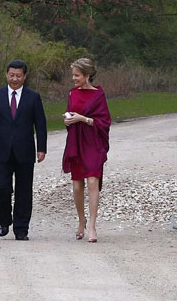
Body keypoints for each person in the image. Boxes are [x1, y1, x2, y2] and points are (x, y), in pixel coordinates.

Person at [0, 59, 48, 240]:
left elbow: (41, 125)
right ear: (6, 75)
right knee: (2, 188)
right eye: (11, 75)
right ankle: (4, 220)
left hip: (25, 150)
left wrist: (41, 148)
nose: (14, 79)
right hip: (3, 150)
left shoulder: (33, 97)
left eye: (18, 76)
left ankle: (21, 229)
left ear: (24, 77)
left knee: (24, 191)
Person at [61, 57, 111, 243]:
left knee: (92, 181)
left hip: (93, 143)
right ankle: (81, 220)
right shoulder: (72, 94)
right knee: (76, 185)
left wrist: (83, 118)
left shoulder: (98, 95)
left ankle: (91, 226)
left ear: (87, 75)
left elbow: (104, 122)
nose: (74, 78)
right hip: (76, 142)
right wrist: (68, 120)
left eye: (77, 75)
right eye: (73, 75)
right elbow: (69, 116)